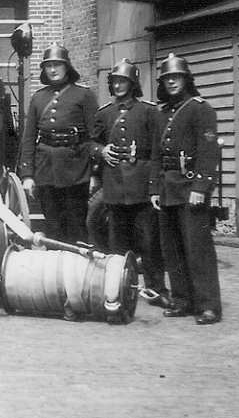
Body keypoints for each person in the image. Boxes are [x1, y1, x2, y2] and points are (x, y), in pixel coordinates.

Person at [148, 53, 222, 325]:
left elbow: (208, 152)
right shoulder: (161, 113)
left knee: (197, 249)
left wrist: (201, 186)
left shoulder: (201, 109)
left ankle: (208, 305)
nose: (171, 82)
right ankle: (182, 300)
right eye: (167, 78)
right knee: (173, 250)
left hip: (191, 187)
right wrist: (154, 189)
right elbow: (156, 154)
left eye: (176, 77)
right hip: (167, 189)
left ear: (186, 79)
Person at [92, 58, 169, 307]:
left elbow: (157, 151)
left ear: (133, 83)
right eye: (115, 81)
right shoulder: (105, 113)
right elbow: (90, 143)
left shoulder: (149, 111)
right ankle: (118, 289)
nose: (118, 86)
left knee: (149, 242)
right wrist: (101, 151)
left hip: (141, 187)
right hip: (114, 187)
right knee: (117, 244)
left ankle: (156, 288)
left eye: (123, 81)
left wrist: (154, 186)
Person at [20, 43, 97, 244]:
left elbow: (95, 137)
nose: (53, 70)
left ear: (67, 67)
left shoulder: (84, 95)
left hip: (76, 171)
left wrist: (94, 174)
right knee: (52, 226)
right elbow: (29, 138)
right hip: (46, 171)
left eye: (57, 65)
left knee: (76, 226)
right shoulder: (38, 98)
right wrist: (27, 175)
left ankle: (77, 264)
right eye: (49, 65)